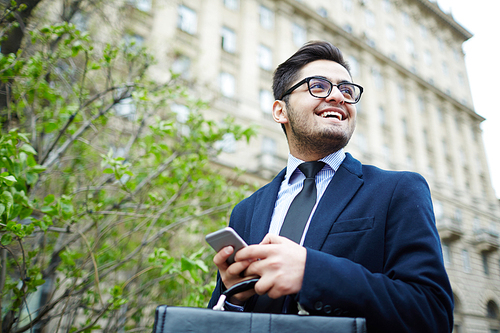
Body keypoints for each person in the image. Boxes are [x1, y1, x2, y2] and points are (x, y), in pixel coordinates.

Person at [208, 40, 454, 332]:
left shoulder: (399, 190)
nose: (338, 96)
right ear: (280, 111)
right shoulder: (246, 211)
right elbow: (218, 318)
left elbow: (432, 312)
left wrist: (311, 273)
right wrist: (235, 297)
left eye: (347, 90)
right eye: (319, 86)